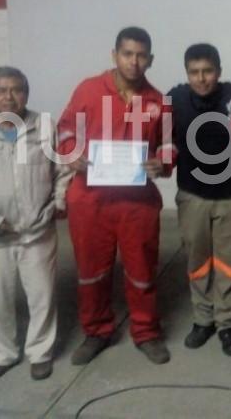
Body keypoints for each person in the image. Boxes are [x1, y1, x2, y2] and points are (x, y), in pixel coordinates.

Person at [57, 26, 175, 365]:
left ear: (150, 59)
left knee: (142, 269)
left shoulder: (158, 101)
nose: (134, 62)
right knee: (92, 270)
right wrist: (71, 153)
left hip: (137, 203)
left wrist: (162, 163)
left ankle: (146, 331)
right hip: (90, 199)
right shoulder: (89, 90)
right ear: (115, 55)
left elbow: (169, 146)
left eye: (141, 55)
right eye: (127, 54)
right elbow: (65, 130)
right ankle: (97, 331)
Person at [0, 67, 72, 382]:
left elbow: (62, 171)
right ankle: (3, 354)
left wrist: (58, 204)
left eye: (17, 89)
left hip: (37, 230)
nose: (10, 96)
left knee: (42, 296)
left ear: (27, 93)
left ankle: (40, 353)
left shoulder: (45, 127)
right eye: (2, 90)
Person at [168, 44, 231, 356]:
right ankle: (203, 319)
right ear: (187, 74)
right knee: (197, 261)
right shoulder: (175, 99)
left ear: (218, 71)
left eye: (207, 71)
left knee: (230, 263)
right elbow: (155, 131)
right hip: (192, 196)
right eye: (194, 72)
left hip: (230, 195)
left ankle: (228, 324)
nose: (201, 78)